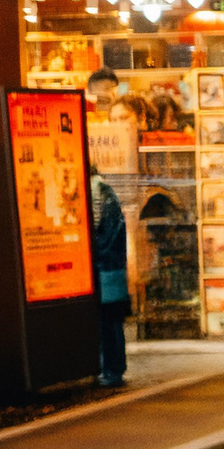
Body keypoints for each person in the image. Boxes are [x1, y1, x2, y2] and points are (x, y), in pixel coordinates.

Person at [89, 165, 128, 387]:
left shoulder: (97, 195)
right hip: (113, 271)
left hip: (105, 271)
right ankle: (114, 369)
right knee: (112, 322)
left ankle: (112, 370)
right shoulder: (107, 194)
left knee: (107, 322)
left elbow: (101, 238)